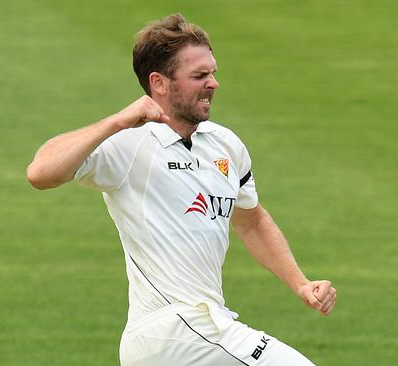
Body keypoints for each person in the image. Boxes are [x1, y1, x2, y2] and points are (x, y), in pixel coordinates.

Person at [27, 13, 337, 366]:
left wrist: (300, 283)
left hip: (189, 334)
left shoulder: (226, 145)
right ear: (159, 82)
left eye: (213, 72)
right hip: (173, 328)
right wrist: (115, 122)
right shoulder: (129, 144)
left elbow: (251, 221)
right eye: (199, 76)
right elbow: (40, 172)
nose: (214, 83)